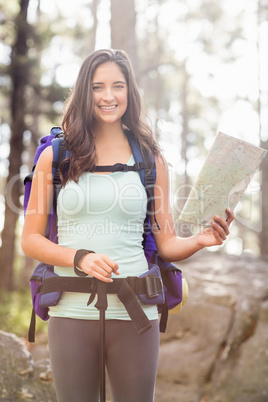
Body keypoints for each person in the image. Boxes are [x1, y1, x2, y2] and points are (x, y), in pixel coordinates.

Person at [21, 49, 234, 402]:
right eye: (97, 87)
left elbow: (166, 244)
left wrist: (200, 240)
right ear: (84, 92)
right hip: (71, 312)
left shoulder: (151, 158)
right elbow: (30, 240)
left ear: (129, 93)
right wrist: (79, 257)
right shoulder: (55, 156)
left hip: (137, 313)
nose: (108, 96)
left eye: (117, 86)